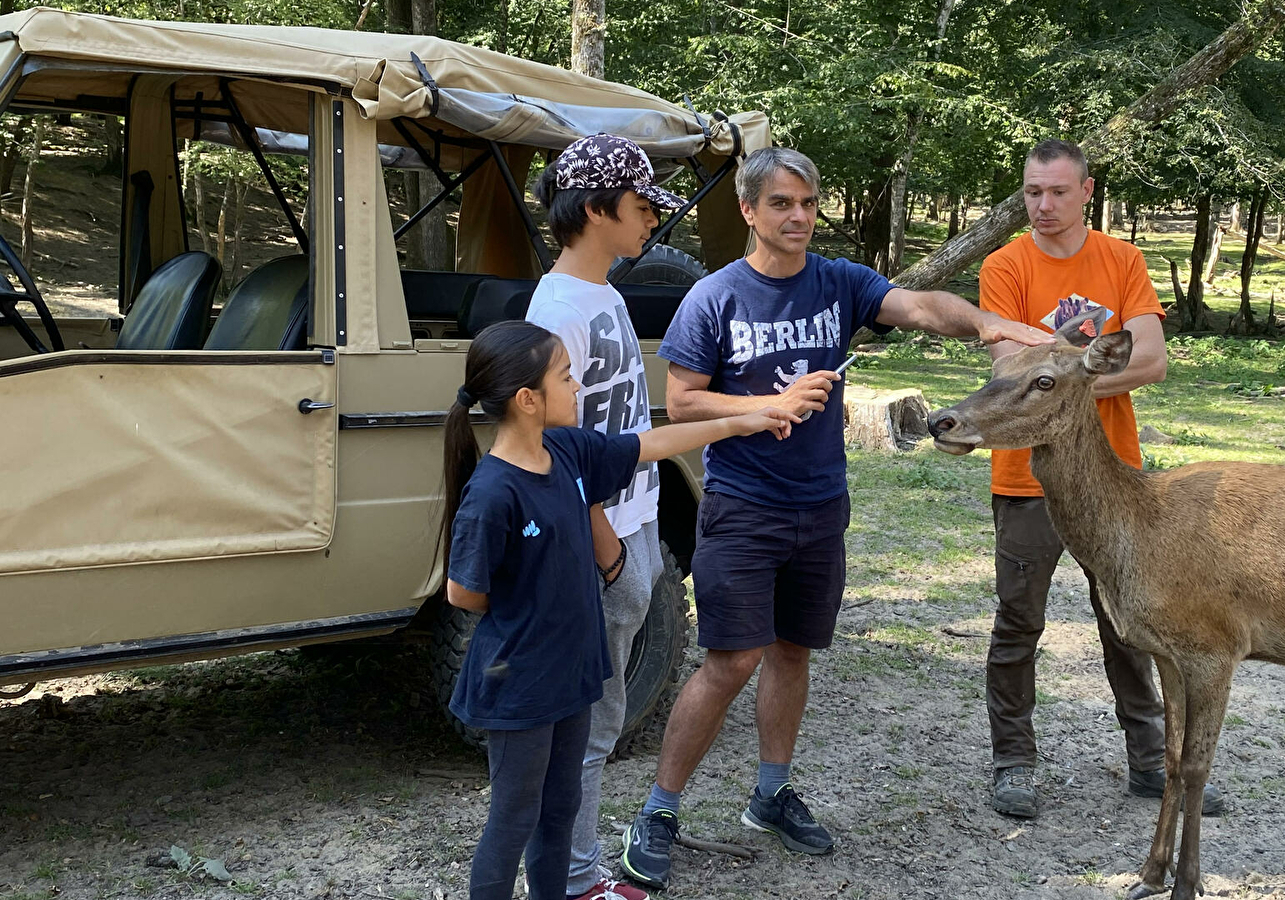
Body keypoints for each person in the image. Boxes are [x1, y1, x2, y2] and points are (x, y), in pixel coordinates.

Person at [618, 146, 1051, 891]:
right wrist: (767, 408)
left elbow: (916, 305)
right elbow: (683, 400)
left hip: (820, 508)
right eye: (782, 204)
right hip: (744, 507)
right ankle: (657, 813)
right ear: (750, 211)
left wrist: (985, 325)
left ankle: (771, 794)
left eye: (809, 204)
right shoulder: (714, 297)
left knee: (792, 652)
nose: (798, 217)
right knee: (731, 661)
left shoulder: (839, 283)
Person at [441, 320, 796, 900]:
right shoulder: (493, 493)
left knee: (560, 812)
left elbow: (647, 445)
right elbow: (464, 593)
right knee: (512, 822)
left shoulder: (566, 450)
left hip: (574, 674)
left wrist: (743, 421)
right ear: (528, 400)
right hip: (519, 686)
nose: (577, 384)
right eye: (564, 376)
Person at [977, 138, 1224, 820]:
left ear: (1087, 192)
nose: (1044, 205)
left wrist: (1061, 378)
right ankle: (1013, 763)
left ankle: (1151, 763)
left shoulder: (1122, 260)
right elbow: (1008, 367)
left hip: (1115, 481)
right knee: (1017, 623)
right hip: (1027, 479)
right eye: (1032, 192)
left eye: (1058, 192)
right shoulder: (1005, 267)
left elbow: (1151, 361)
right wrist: (1080, 372)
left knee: (1133, 625)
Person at [523, 132, 683, 900]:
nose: (653, 219)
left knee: (605, 719)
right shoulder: (557, 310)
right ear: (596, 209)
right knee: (585, 730)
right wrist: (610, 553)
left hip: (637, 520)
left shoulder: (609, 294)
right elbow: (554, 449)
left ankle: (577, 873)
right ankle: (576, 882)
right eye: (642, 205)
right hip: (603, 538)